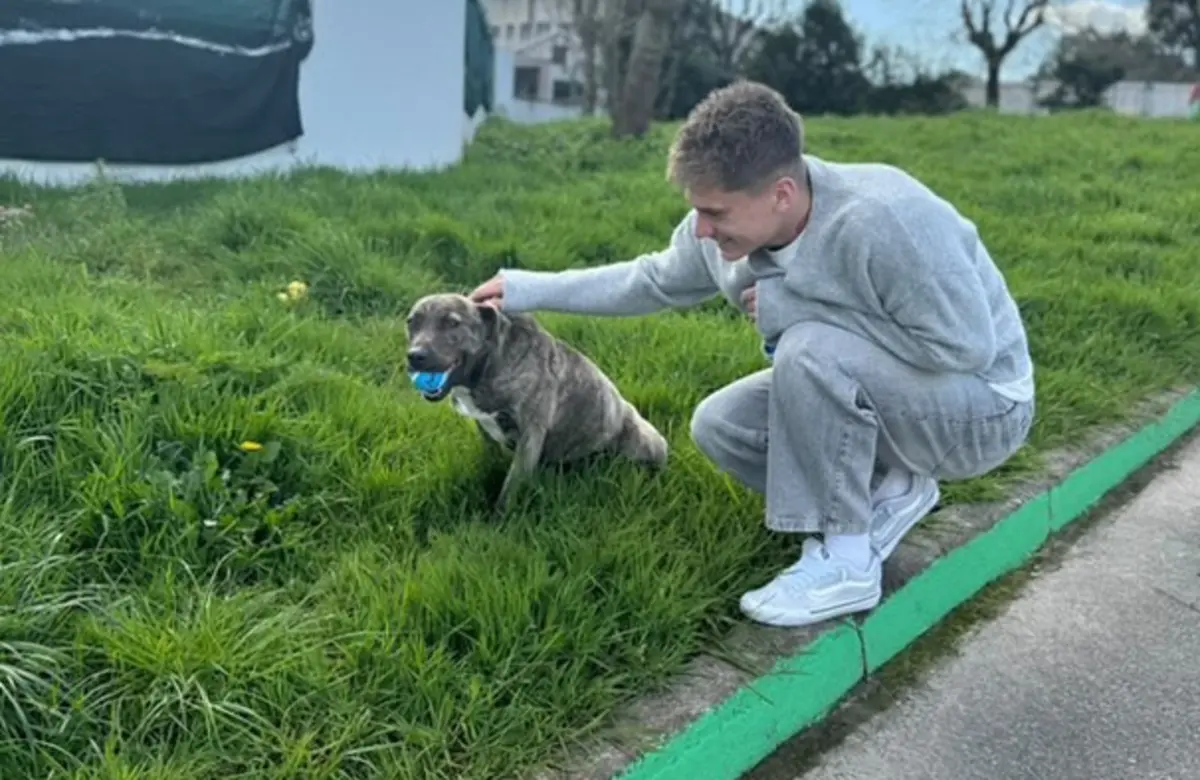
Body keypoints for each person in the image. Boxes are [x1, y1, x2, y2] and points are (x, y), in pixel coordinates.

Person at [468, 80, 1035, 628]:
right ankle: (891, 489)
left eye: (716, 213)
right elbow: (650, 280)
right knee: (720, 425)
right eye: (696, 210)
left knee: (809, 348)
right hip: (899, 395)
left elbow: (964, 347)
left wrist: (795, 307)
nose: (702, 229)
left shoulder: (885, 220)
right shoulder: (719, 233)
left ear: (781, 194)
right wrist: (526, 289)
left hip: (984, 408)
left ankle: (847, 562)